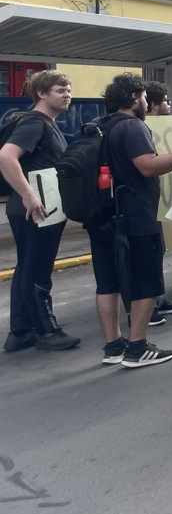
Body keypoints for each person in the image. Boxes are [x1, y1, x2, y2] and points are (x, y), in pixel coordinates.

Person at [86, 73, 172, 368]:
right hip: (135, 217)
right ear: (133, 98)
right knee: (146, 283)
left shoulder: (99, 126)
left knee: (108, 284)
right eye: (143, 97)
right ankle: (137, 347)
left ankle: (113, 346)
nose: (146, 102)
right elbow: (148, 166)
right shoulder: (132, 126)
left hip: (103, 217)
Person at [0, 71, 81, 352]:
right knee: (37, 270)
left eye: (68, 89)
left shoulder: (44, 123)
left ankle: (21, 331)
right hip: (35, 208)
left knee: (27, 267)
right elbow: (6, 156)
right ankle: (47, 332)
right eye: (60, 90)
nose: (67, 94)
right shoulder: (35, 122)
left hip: (35, 206)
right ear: (42, 94)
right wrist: (28, 195)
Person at [143, 82, 172, 325]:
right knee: (149, 252)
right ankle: (147, 305)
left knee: (159, 248)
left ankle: (156, 298)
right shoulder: (142, 129)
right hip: (148, 200)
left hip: (162, 194)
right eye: (166, 100)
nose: (169, 104)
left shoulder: (164, 127)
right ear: (154, 104)